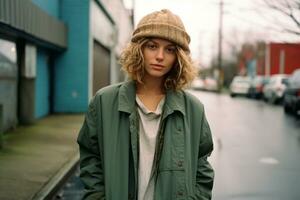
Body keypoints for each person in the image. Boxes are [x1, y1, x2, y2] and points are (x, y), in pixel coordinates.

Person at [77, 9, 214, 200]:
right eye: (152, 46)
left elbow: (202, 165)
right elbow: (91, 157)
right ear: (138, 49)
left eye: (170, 49)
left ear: (178, 57)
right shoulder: (103, 101)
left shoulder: (193, 108)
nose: (160, 56)